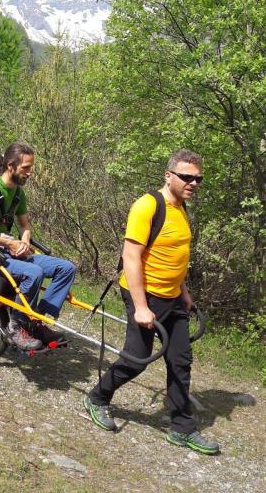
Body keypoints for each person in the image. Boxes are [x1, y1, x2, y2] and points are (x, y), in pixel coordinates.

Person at [83, 149, 220, 455]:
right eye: (187, 177)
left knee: (180, 361)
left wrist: (184, 291)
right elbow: (131, 256)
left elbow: (174, 256)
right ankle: (97, 398)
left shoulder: (182, 208)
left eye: (198, 178)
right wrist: (141, 306)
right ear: (168, 175)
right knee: (136, 359)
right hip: (144, 295)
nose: (193, 183)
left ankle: (182, 428)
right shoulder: (147, 206)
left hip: (172, 298)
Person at [0, 142, 77, 351]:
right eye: (26, 168)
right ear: (10, 166)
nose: (30, 173)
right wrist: (9, 242)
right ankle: (16, 327)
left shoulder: (17, 193)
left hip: (11, 251)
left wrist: (24, 242)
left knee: (66, 268)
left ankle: (35, 321)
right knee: (34, 273)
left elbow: (25, 224)